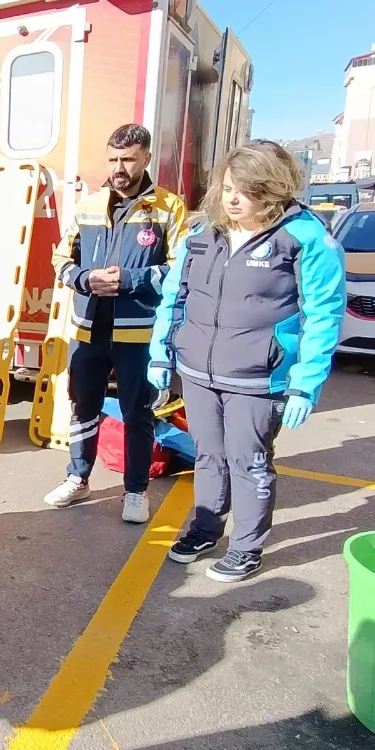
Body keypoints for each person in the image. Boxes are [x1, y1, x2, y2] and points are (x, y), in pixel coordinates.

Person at [148, 140, 346, 582]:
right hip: (198, 372)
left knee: (249, 460)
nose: (231, 199)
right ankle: (204, 528)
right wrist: (161, 354)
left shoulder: (305, 238)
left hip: (260, 378)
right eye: (227, 188)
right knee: (208, 455)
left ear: (272, 190)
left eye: (245, 190)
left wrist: (305, 383)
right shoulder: (201, 235)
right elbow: (174, 298)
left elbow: (323, 314)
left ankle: (246, 547)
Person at [43, 124, 188, 523]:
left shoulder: (168, 207)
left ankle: (136, 491)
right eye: (112, 159)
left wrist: (130, 279)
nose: (119, 167)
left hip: (138, 334)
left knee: (137, 412)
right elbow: (61, 260)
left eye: (128, 159)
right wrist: (84, 279)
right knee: (82, 406)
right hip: (87, 329)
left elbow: (180, 270)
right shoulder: (89, 204)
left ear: (145, 159)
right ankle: (78, 477)